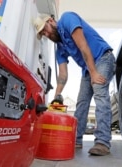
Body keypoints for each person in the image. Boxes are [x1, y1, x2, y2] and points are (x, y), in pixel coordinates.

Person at [34, 12, 115, 156]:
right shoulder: (60, 48)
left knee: (99, 93)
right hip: (88, 68)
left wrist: (94, 73)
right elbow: (63, 74)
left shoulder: (67, 19)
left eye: (45, 29)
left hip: (102, 57)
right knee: (82, 103)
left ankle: (102, 142)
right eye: (43, 34)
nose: (46, 34)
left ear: (51, 21)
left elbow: (83, 46)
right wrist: (57, 95)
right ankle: (75, 140)